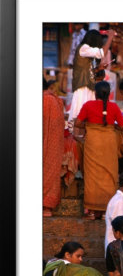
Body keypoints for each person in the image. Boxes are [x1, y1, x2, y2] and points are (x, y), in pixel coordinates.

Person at [74, 81, 123, 220]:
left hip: (93, 142)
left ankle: (91, 211)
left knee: (92, 175)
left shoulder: (88, 105)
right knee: (109, 176)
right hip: (109, 143)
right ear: (108, 94)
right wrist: (111, 126)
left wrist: (90, 125)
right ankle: (105, 211)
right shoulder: (114, 107)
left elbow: (77, 123)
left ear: (95, 93)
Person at [68, 29, 116, 123]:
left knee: (88, 116)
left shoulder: (88, 52)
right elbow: (101, 53)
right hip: (83, 87)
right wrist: (110, 37)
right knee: (79, 115)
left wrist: (99, 68)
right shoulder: (83, 48)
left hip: (89, 86)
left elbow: (90, 70)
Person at [43, 77, 65, 217]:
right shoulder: (54, 100)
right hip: (53, 144)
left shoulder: (46, 100)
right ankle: (47, 207)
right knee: (50, 170)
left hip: (48, 141)